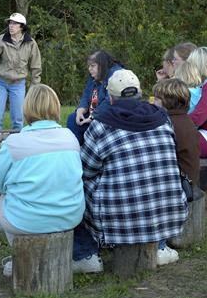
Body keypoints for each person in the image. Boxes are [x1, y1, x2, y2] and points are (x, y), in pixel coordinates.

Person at [0, 84, 85, 276]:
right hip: (69, 215)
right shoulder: (70, 138)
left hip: (26, 220)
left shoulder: (14, 142)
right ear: (56, 107)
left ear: (27, 108)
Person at [73, 70, 188, 273]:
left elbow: (86, 170)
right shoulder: (163, 118)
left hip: (117, 219)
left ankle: (85, 253)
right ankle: (160, 246)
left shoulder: (100, 126)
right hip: (168, 213)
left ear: (109, 97)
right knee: (153, 176)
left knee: (74, 186)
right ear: (140, 93)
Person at [152, 78, 200, 265]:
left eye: (156, 98)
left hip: (180, 185)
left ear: (167, 101)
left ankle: (160, 244)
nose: (153, 102)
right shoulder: (185, 120)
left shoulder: (167, 123)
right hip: (189, 179)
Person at [0, 13, 42, 130]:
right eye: (10, 23)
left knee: (18, 118)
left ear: (22, 27)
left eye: (14, 23)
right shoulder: (1, 40)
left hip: (18, 84)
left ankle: (17, 143)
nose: (11, 26)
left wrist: (34, 86)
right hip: (0, 83)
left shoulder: (30, 43)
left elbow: (36, 66)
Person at [66, 50, 123, 144]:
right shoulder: (95, 75)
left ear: (102, 65)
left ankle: (88, 152)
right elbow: (86, 94)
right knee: (72, 119)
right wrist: (80, 110)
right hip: (93, 115)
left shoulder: (115, 75)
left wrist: (92, 117)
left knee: (94, 127)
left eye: (92, 66)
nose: (89, 69)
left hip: (107, 117)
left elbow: (109, 101)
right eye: (89, 66)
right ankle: (74, 150)